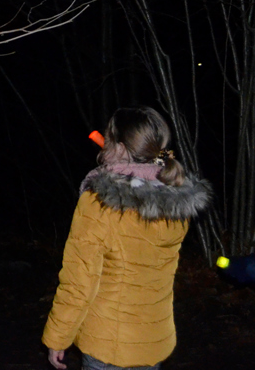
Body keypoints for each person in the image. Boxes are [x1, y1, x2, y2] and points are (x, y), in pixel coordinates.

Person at [42, 107, 211, 370]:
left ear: (120, 149)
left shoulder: (100, 203)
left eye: (109, 137)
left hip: (108, 344)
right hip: (153, 341)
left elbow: (79, 281)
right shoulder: (175, 203)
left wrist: (58, 336)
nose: (105, 142)